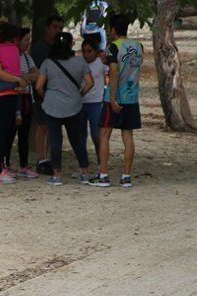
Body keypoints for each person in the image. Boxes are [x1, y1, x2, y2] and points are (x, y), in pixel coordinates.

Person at [90, 14, 143, 189]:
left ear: (113, 29)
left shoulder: (114, 47)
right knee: (128, 137)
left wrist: (112, 98)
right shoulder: (139, 46)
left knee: (104, 134)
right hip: (132, 97)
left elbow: (113, 72)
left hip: (114, 98)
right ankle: (126, 177)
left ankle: (103, 175)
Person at [36, 32, 94, 185]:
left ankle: (57, 175)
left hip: (52, 106)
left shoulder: (48, 63)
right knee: (77, 140)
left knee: (55, 140)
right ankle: (85, 172)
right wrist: (78, 95)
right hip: (74, 106)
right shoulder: (80, 62)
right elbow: (90, 83)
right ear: (71, 44)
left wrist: (46, 96)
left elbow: (38, 86)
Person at [0, 22, 26, 183]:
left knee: (8, 133)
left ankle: (1, 166)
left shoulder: (1, 51)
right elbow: (0, 73)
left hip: (9, 94)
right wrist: (18, 79)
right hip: (1, 96)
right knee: (2, 134)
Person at [31, 14, 65, 175]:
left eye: (60, 28)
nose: (57, 31)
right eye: (54, 27)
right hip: (43, 92)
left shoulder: (60, 48)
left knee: (54, 127)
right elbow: (37, 73)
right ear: (47, 28)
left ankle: (50, 158)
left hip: (58, 92)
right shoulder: (40, 49)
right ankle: (42, 159)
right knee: (43, 125)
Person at [7, 27, 41, 179]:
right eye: (26, 40)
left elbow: (37, 74)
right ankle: (5, 164)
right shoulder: (11, 57)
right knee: (9, 133)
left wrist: (23, 77)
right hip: (14, 99)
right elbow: (13, 76)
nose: (28, 43)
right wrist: (24, 77)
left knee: (24, 134)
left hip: (27, 98)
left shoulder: (27, 57)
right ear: (17, 41)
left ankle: (23, 164)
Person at [80, 36, 107, 170]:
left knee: (97, 135)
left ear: (96, 51)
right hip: (80, 103)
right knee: (81, 136)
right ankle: (83, 164)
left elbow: (113, 72)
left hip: (96, 103)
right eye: (84, 51)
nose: (86, 54)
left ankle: (101, 162)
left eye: (89, 51)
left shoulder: (101, 64)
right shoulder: (79, 63)